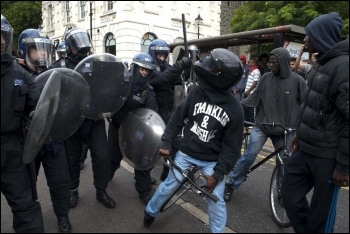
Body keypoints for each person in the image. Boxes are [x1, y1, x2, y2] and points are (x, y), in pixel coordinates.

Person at [144, 48, 245, 233]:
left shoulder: (235, 109)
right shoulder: (195, 93)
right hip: (187, 152)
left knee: (217, 200)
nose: (199, 79)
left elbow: (232, 148)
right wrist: (166, 142)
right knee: (168, 186)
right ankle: (150, 212)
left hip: (212, 161)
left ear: (217, 80)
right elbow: (177, 117)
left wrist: (218, 174)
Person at [282, 12, 349, 233]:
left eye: (308, 35)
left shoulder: (343, 67)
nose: (305, 40)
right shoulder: (321, 63)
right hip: (306, 149)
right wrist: (299, 134)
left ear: (321, 36)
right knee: (289, 193)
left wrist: (343, 165)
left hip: (328, 156)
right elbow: (311, 104)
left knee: (321, 216)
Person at [224, 47, 306, 202]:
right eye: (270, 61)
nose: (270, 64)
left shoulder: (298, 81)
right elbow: (253, 98)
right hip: (263, 125)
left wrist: (299, 129)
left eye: (274, 62)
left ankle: (283, 192)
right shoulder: (266, 78)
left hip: (285, 129)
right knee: (249, 156)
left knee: (284, 162)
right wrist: (234, 106)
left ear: (282, 62)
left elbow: (306, 105)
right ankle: (231, 184)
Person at [53, 28, 116, 209]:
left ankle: (101, 190)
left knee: (102, 156)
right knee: (72, 159)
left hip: (94, 119)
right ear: (70, 46)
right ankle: (72, 191)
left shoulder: (95, 63)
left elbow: (108, 86)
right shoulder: (61, 66)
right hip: (72, 121)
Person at [16, 28, 72, 233]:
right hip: (28, 140)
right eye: (35, 50)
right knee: (28, 185)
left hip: (53, 140)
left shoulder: (56, 74)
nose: (41, 54)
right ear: (24, 51)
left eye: (44, 49)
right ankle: (30, 219)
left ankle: (63, 216)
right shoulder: (17, 75)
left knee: (60, 182)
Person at [1, 15, 44, 233]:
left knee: (26, 208)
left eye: (2, 36)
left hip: (12, 149)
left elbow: (38, 109)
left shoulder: (22, 75)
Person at [107, 52, 158, 205]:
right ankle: (105, 179)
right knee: (113, 158)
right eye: (142, 69)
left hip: (135, 132)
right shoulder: (122, 84)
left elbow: (152, 114)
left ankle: (144, 190)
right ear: (135, 68)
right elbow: (110, 100)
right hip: (117, 126)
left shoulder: (148, 93)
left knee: (141, 159)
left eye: (147, 71)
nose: (144, 73)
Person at [147, 39, 192, 182]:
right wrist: (179, 66)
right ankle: (144, 175)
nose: (162, 58)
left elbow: (177, 82)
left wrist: (185, 72)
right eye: (159, 55)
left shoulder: (168, 68)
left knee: (175, 143)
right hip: (153, 112)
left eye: (164, 55)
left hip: (168, 111)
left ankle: (167, 171)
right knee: (152, 146)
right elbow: (161, 80)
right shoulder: (148, 69)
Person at [243, 58, 261, 123]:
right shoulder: (251, 71)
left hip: (251, 93)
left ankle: (252, 123)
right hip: (247, 92)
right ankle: (246, 122)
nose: (248, 63)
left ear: (254, 63)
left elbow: (255, 83)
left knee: (251, 109)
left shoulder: (256, 71)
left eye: (250, 62)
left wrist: (249, 91)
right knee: (245, 107)